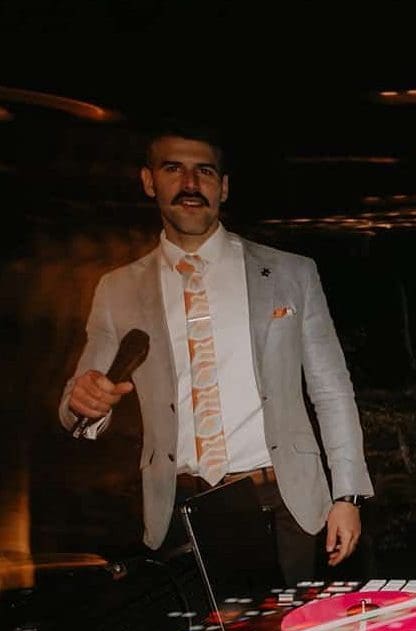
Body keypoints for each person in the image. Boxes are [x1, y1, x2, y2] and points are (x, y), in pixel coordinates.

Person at [59, 122, 373, 585]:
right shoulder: (118, 289)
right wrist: (82, 403)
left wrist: (348, 495)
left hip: (283, 503)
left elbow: (331, 390)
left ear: (223, 187)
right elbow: (80, 401)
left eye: (204, 172)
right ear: (149, 181)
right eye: (173, 169)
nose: (190, 185)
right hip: (180, 510)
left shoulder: (290, 273)